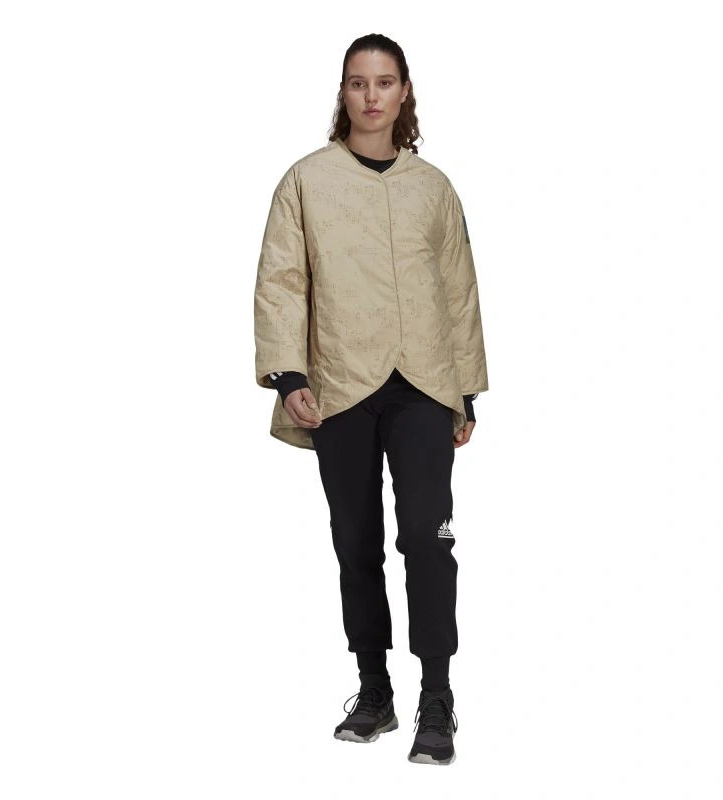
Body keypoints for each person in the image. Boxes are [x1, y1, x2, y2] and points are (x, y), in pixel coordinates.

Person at [253, 33, 489, 766]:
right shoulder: (305, 181)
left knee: (429, 537)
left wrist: (466, 390)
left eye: (385, 82)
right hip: (341, 381)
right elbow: (282, 279)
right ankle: (374, 689)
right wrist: (289, 375)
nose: (372, 95)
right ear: (343, 92)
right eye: (358, 82)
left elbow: (458, 287)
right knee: (355, 542)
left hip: (423, 383)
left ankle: (437, 696)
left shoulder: (433, 187)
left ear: (404, 91)